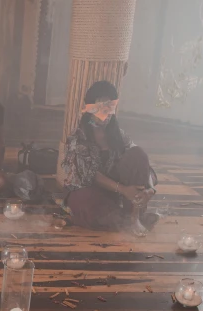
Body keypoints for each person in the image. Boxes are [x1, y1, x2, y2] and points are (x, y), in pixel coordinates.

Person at [61, 81, 156, 235]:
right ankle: (127, 219)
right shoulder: (77, 137)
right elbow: (89, 174)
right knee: (90, 204)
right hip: (86, 190)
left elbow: (142, 164)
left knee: (137, 153)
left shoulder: (118, 134)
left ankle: (134, 216)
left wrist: (151, 189)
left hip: (116, 193)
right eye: (100, 109)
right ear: (90, 108)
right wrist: (123, 189)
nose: (105, 115)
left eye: (109, 108)